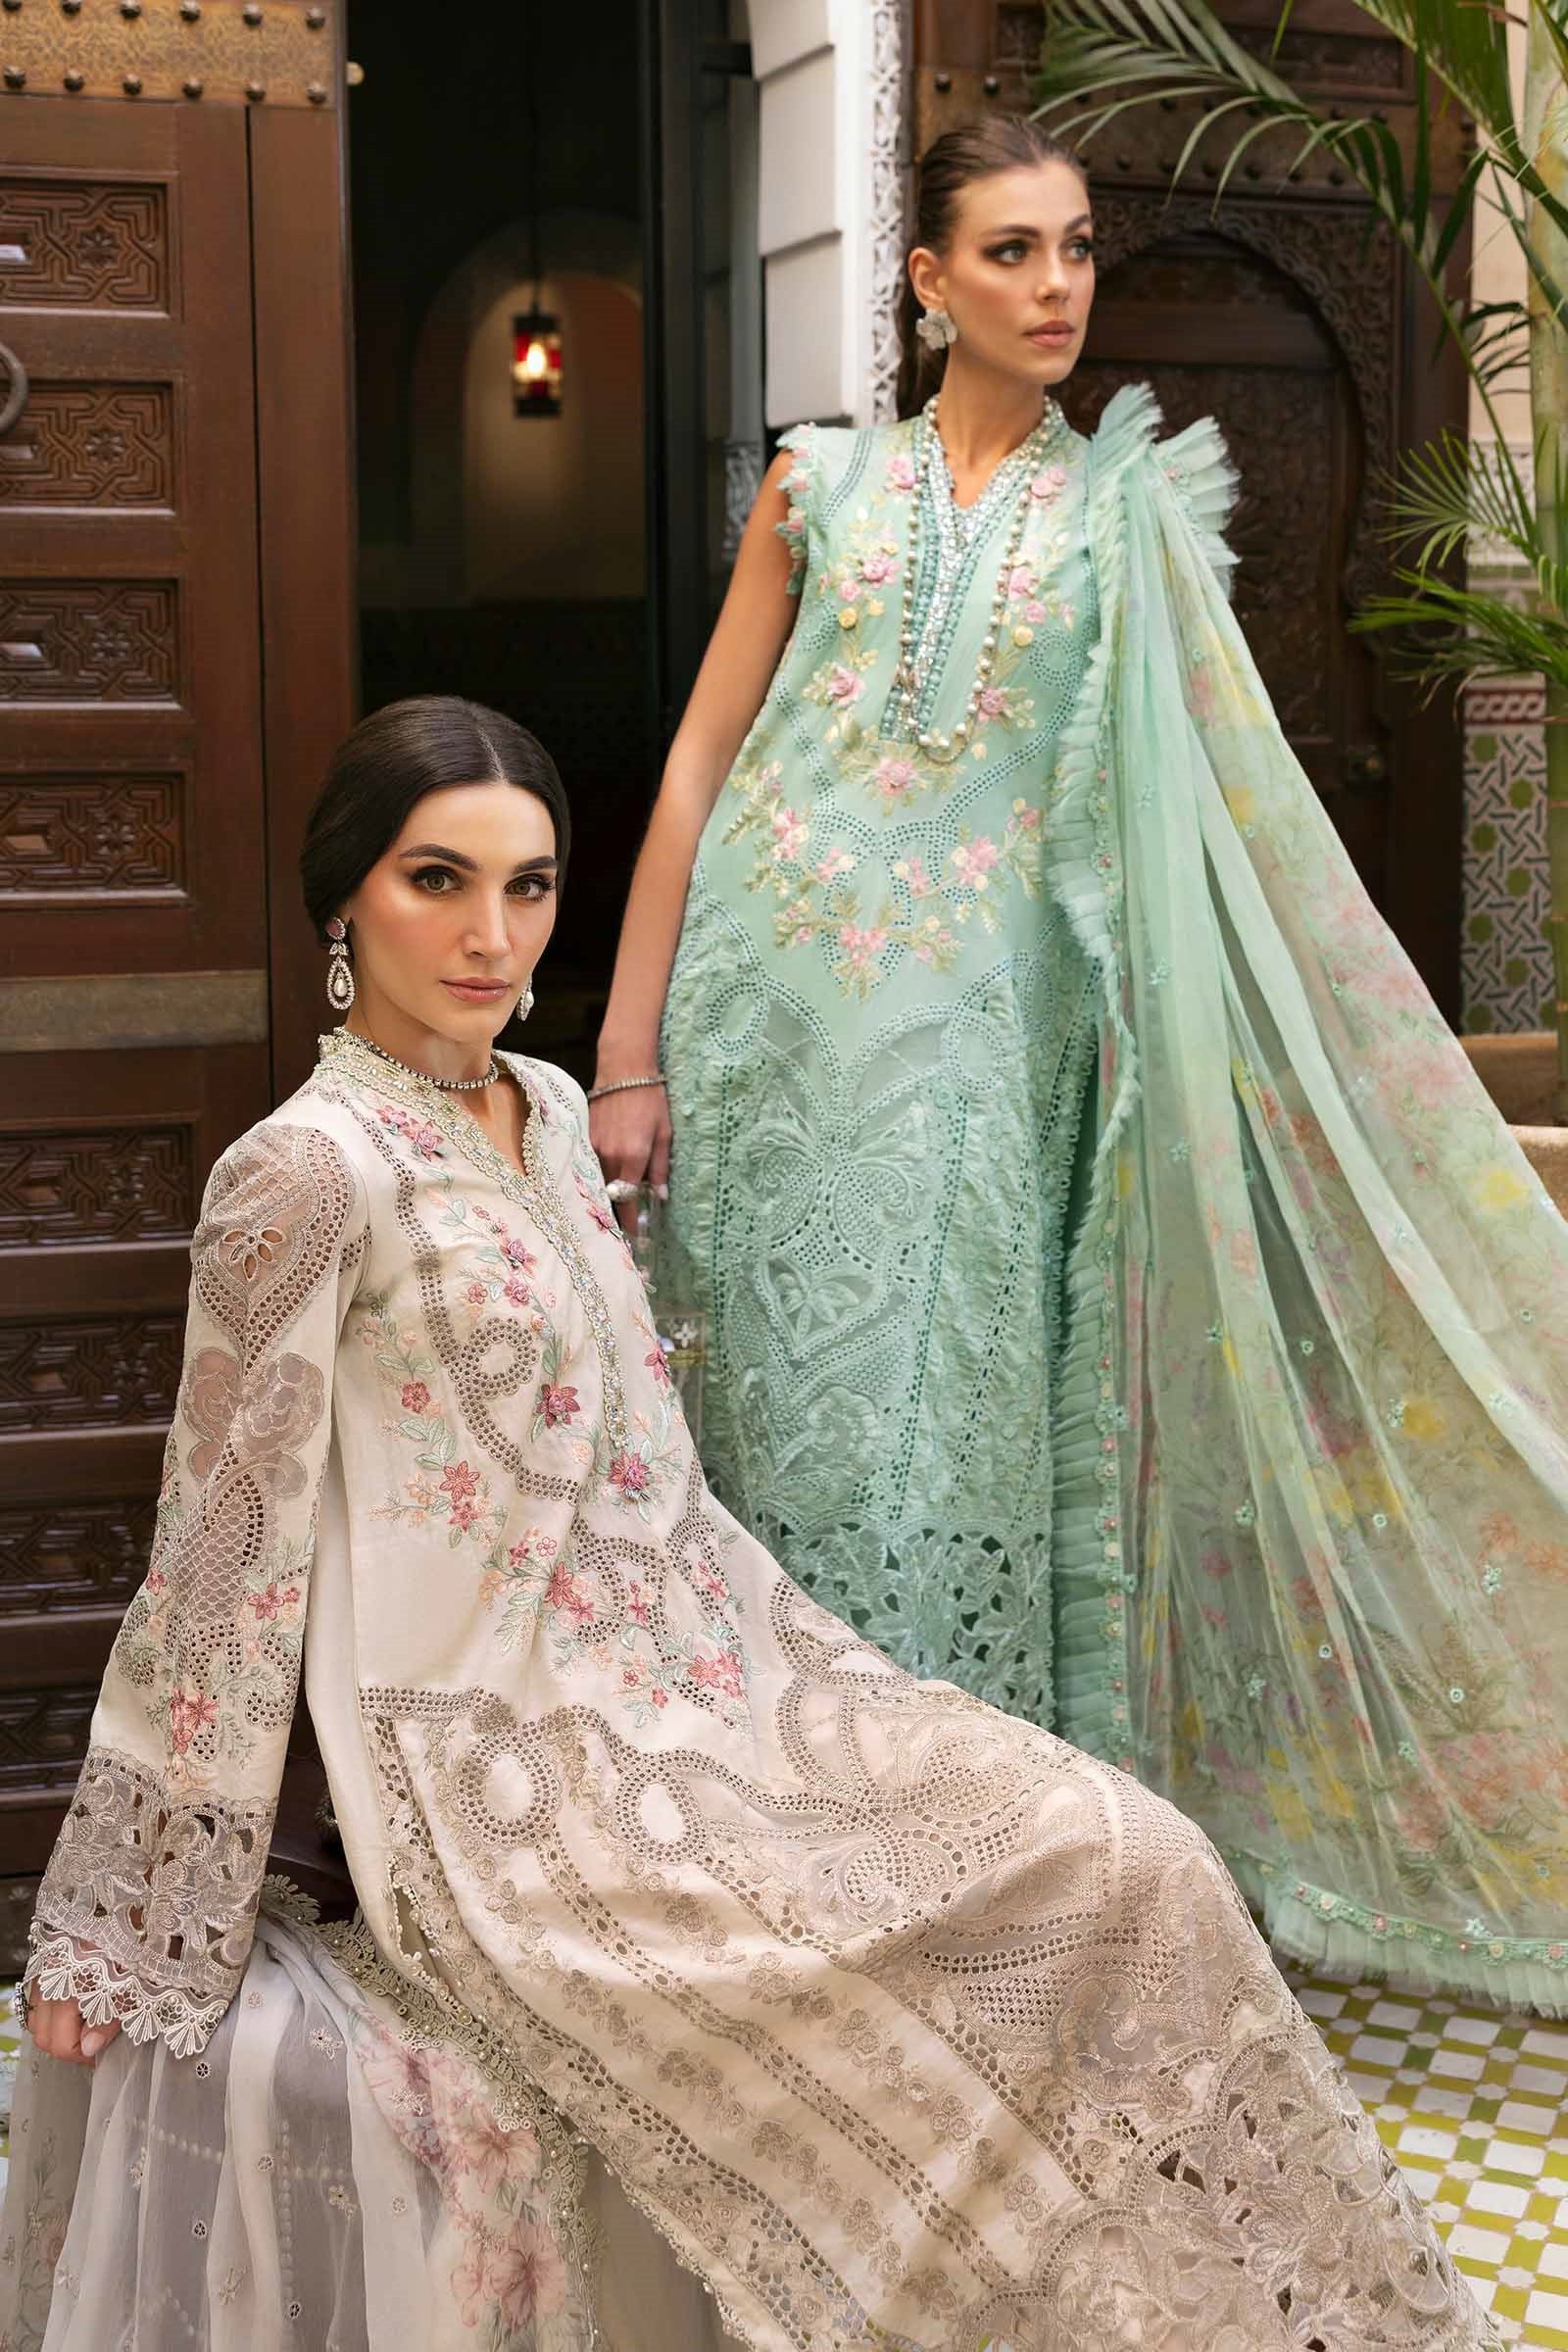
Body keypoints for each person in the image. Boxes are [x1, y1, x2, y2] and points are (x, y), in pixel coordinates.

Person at [2, 697, 1496, 2350]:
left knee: (1129, 1857)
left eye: (528, 886)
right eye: (438, 881)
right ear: (343, 901)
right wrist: (124, 1909)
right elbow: (220, 1549)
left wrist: (771, 1684)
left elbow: (647, 1468)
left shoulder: (549, 1111)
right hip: (503, 1773)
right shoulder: (304, 1173)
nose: (493, 935)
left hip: (706, 1678)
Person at [591, 114, 1568, 2014]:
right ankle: (776, 1881)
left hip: (984, 1050)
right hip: (765, 1037)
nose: (1056, 287)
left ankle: (958, 1890)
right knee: (767, 1445)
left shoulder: (1127, 512)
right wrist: (630, 1050)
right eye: (1012, 251)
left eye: (1076, 249)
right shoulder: (815, 484)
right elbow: (703, 759)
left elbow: (1212, 809)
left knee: (936, 1447)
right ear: (926, 279)